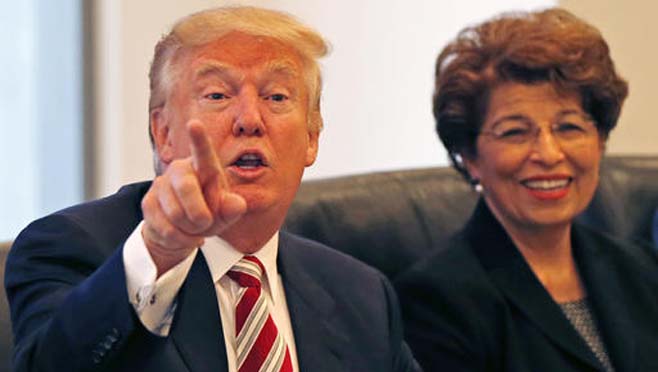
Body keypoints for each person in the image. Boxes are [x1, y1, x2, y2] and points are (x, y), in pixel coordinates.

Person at [5, 6, 419, 372]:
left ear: (312, 136)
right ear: (163, 133)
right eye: (218, 95)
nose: (249, 119)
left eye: (276, 96)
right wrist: (160, 252)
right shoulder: (70, 247)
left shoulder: (361, 295)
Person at [395, 8, 658, 372]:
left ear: (599, 140)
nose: (549, 154)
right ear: (470, 156)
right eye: (515, 132)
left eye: (569, 127)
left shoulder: (642, 271)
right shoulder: (435, 303)